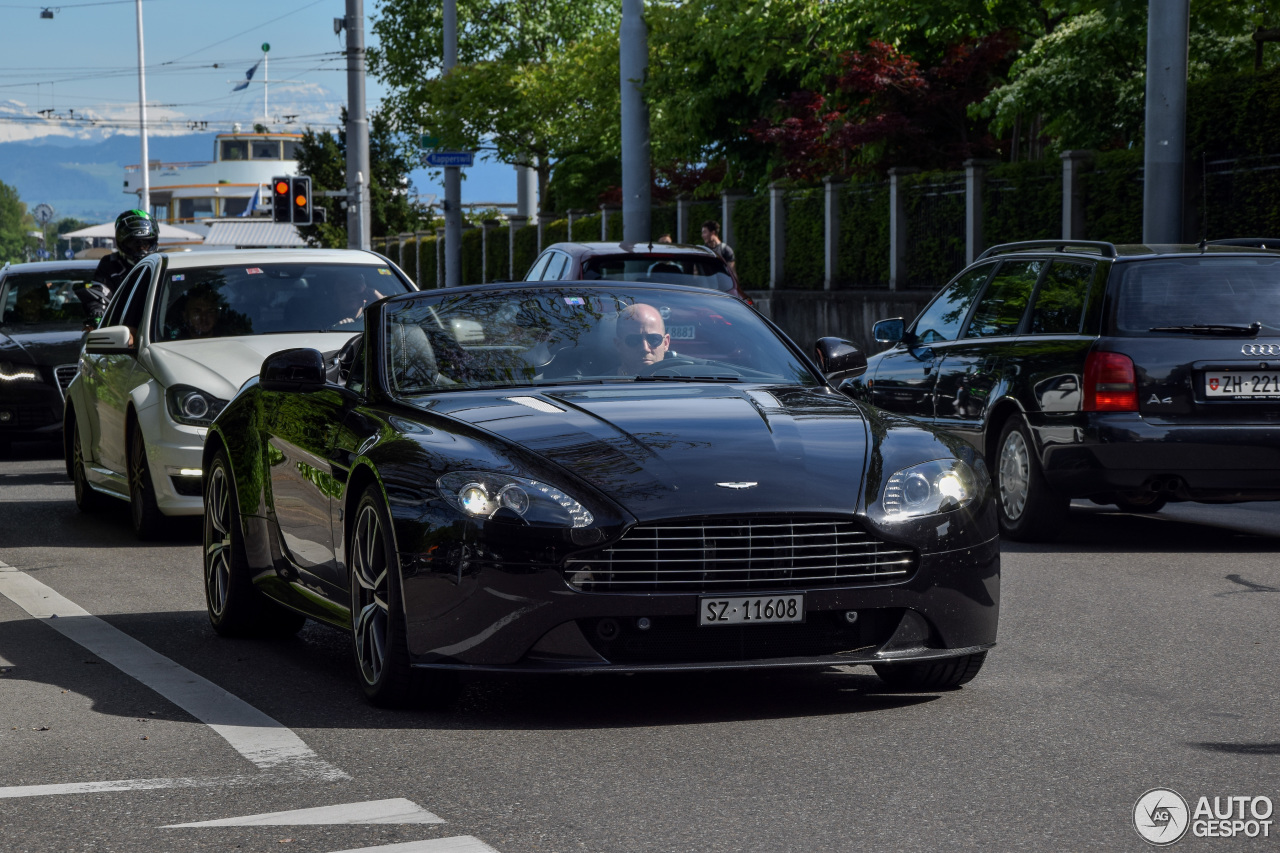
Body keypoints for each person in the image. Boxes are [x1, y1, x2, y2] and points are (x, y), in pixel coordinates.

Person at [75, 209, 160, 327]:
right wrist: (97, 312)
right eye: (135, 244)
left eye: (146, 243)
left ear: (153, 242)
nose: (141, 249)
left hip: (160, 326)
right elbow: (101, 292)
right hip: (124, 329)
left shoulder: (162, 263)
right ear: (122, 243)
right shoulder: (110, 265)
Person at [614, 303, 670, 375]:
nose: (645, 348)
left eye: (653, 339)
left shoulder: (682, 382)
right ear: (619, 345)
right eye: (634, 340)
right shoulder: (603, 384)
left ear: (666, 343)